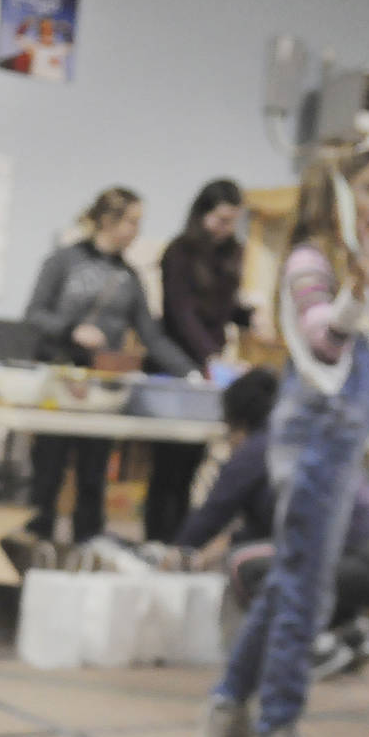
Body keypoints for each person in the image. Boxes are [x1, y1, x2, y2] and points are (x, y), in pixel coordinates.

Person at [199, 140, 369, 737]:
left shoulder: (350, 267)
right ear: (338, 196)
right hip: (315, 447)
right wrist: (358, 290)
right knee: (307, 590)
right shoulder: (313, 262)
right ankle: (275, 730)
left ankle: (228, 706)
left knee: (291, 578)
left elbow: (361, 351)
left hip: (334, 445)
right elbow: (325, 341)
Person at [176, 369, 369, 680]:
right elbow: (275, 525)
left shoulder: (262, 445)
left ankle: (310, 646)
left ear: (237, 420)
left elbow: (213, 514)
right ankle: (351, 634)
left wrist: (178, 552)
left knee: (245, 566)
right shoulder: (309, 435)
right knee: (294, 556)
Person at [23, 187, 196, 553]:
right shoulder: (63, 261)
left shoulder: (129, 277)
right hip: (60, 380)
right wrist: (72, 330)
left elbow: (151, 335)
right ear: (107, 220)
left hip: (103, 387)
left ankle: (88, 550)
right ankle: (33, 549)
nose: (137, 230)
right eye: (132, 221)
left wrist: (190, 373)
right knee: (48, 472)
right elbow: (35, 313)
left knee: (94, 474)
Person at [144, 179, 253, 543]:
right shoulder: (180, 252)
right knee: (167, 466)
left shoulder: (231, 254)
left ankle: (179, 540)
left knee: (191, 465)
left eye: (233, 221)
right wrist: (211, 357)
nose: (227, 229)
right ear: (203, 214)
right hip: (177, 366)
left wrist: (249, 316)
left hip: (209, 369)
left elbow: (222, 309)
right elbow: (182, 313)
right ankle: (157, 539)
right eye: (221, 220)